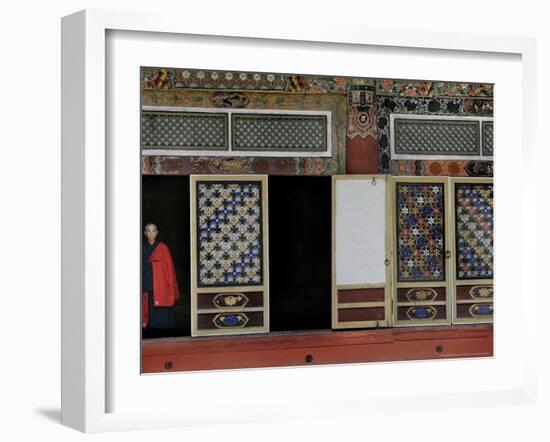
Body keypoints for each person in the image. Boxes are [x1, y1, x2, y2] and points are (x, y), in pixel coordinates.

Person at [142, 223, 180, 330]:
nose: (151, 233)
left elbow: (169, 267)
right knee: (148, 307)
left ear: (157, 233)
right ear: (145, 233)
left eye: (153, 231)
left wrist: (170, 285)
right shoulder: (141, 248)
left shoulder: (163, 247)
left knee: (162, 310)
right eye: (148, 231)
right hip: (148, 283)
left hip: (161, 284)